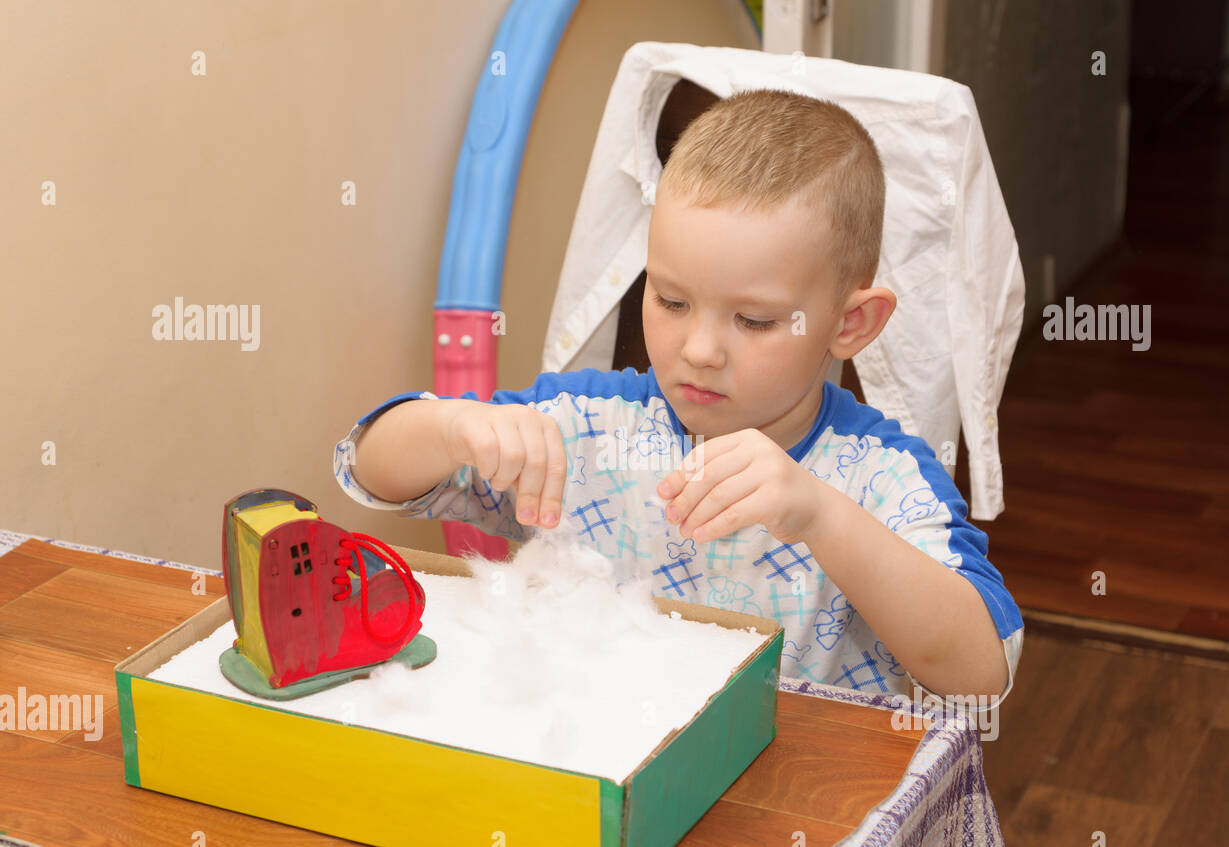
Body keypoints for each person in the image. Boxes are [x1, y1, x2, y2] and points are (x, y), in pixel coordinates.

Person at [333, 88, 1023, 708]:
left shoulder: (882, 477)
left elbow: (979, 672)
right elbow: (368, 467)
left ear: (849, 324)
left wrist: (821, 516)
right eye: (669, 300)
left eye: (752, 320)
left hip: (787, 816)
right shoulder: (590, 427)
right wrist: (455, 425)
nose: (698, 349)